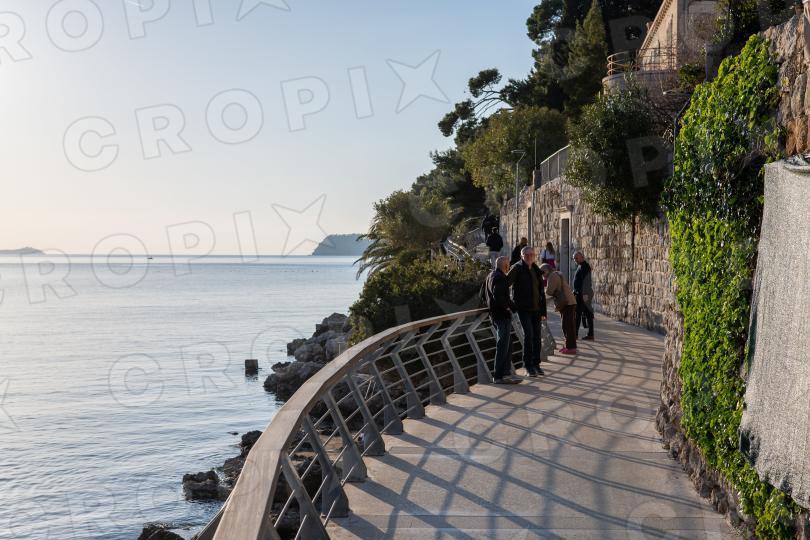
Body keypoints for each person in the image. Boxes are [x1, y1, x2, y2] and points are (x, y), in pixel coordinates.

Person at [507, 246, 547, 376]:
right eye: (526, 255)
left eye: (531, 255)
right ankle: (528, 366)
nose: (529, 257)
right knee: (528, 336)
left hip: (537, 309)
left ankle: (536, 364)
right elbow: (505, 285)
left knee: (537, 337)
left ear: (534, 256)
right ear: (522, 256)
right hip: (524, 309)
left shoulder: (536, 269)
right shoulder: (517, 268)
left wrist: (544, 312)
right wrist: (512, 305)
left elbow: (541, 292)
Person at [482, 256, 521, 384]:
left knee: (508, 344)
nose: (509, 266)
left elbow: (482, 294)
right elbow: (498, 295)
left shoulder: (490, 276)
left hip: (494, 315)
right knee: (503, 346)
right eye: (508, 264)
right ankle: (499, 376)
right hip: (502, 316)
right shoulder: (501, 278)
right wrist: (508, 308)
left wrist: (492, 306)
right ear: (505, 266)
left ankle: (505, 373)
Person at [539, 263, 578, 354]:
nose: (542, 275)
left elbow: (549, 291)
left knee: (568, 326)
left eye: (542, 273)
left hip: (567, 303)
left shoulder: (552, 276)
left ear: (546, 271)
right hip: (568, 302)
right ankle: (568, 346)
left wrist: (541, 298)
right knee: (566, 326)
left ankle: (571, 347)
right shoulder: (556, 274)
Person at [573, 251, 594, 341]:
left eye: (576, 258)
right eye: (574, 259)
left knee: (578, 314)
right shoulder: (581, 266)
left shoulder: (584, 267)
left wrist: (584, 294)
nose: (575, 260)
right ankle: (590, 334)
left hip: (583, 294)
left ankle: (575, 335)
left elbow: (586, 282)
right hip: (582, 293)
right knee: (588, 314)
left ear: (582, 257)